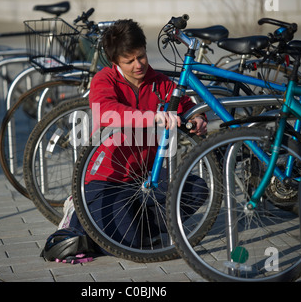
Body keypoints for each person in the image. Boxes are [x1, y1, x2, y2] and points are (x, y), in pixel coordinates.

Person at [69, 19, 208, 250]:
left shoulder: (159, 83)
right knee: (129, 244)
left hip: (145, 180)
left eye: (141, 56)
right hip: (107, 181)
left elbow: (184, 103)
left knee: (197, 188)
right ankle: (88, 217)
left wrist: (198, 118)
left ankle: (139, 225)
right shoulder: (104, 79)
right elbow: (106, 113)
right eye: (129, 60)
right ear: (115, 62)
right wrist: (151, 116)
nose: (138, 65)